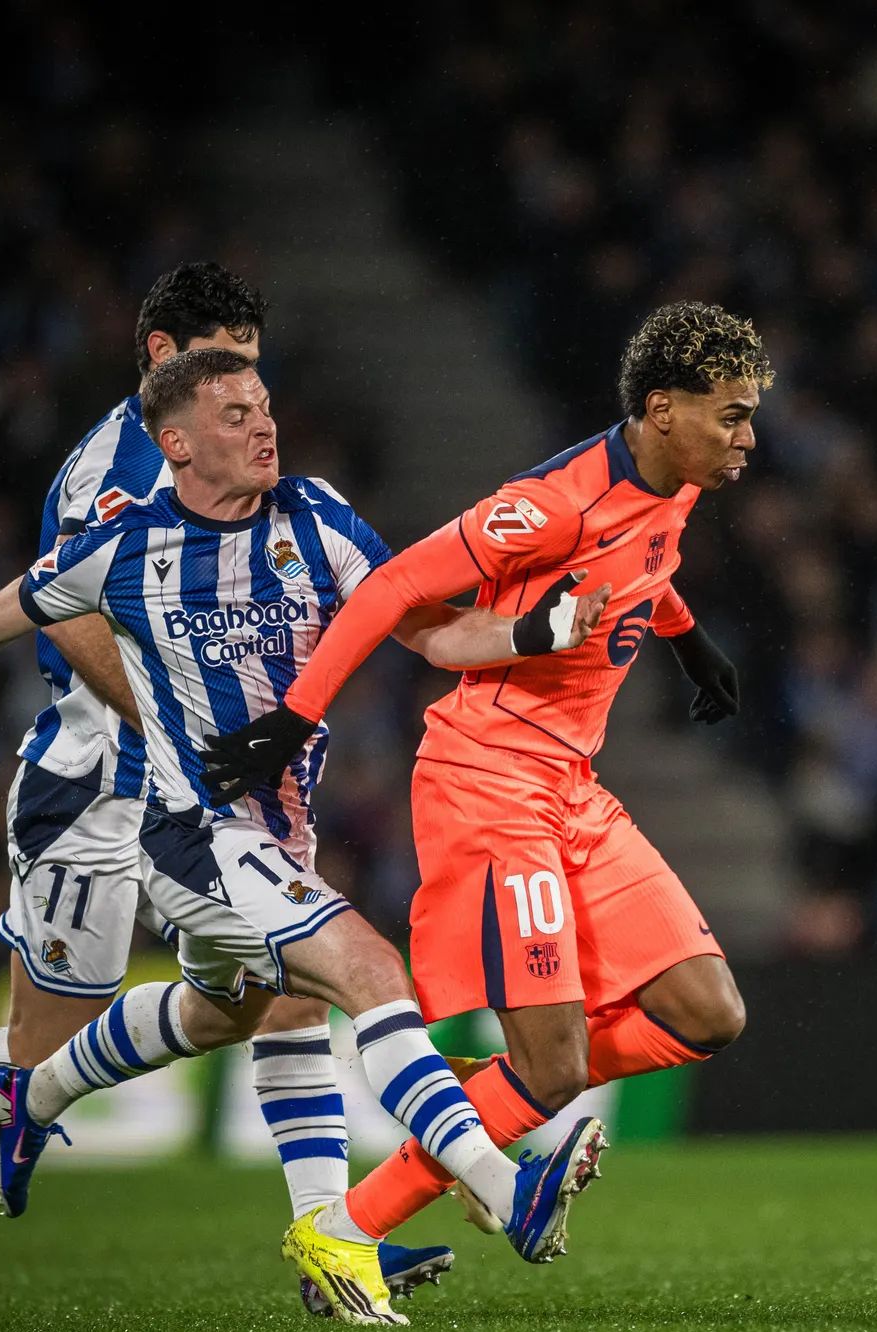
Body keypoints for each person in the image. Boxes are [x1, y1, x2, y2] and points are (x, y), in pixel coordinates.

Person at [0, 346, 612, 1325]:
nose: (264, 424)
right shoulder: (124, 546)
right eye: (236, 413)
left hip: (277, 837)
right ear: (177, 443)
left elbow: (430, 629)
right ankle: (504, 1191)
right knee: (369, 972)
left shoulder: (318, 518)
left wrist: (537, 631)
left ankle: (36, 1103)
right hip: (189, 834)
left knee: (237, 1014)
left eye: (265, 404)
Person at [201, 301, 764, 1257]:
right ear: (663, 409)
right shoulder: (549, 505)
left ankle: (477, 1099)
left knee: (709, 1014)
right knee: (551, 1072)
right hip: (492, 781)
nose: (747, 439)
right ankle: (343, 1231)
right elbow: (393, 587)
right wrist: (295, 716)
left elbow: (646, 561)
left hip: (572, 785)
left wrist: (687, 640)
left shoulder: (678, 478)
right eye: (732, 417)